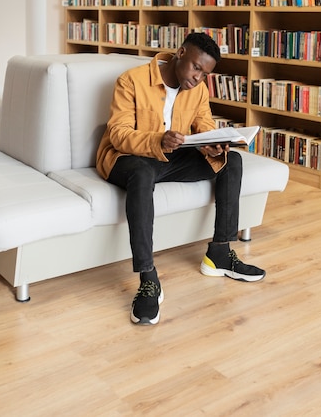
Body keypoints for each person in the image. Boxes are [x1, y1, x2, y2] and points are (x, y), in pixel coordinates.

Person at [96, 32, 265, 325]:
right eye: (196, 68)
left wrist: (214, 143)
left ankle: (220, 253)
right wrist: (157, 140)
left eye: (206, 74)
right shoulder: (131, 80)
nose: (199, 77)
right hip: (127, 159)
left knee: (231, 161)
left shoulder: (198, 91)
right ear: (180, 52)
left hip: (172, 157)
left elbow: (205, 126)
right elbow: (118, 134)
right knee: (141, 172)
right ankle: (148, 278)